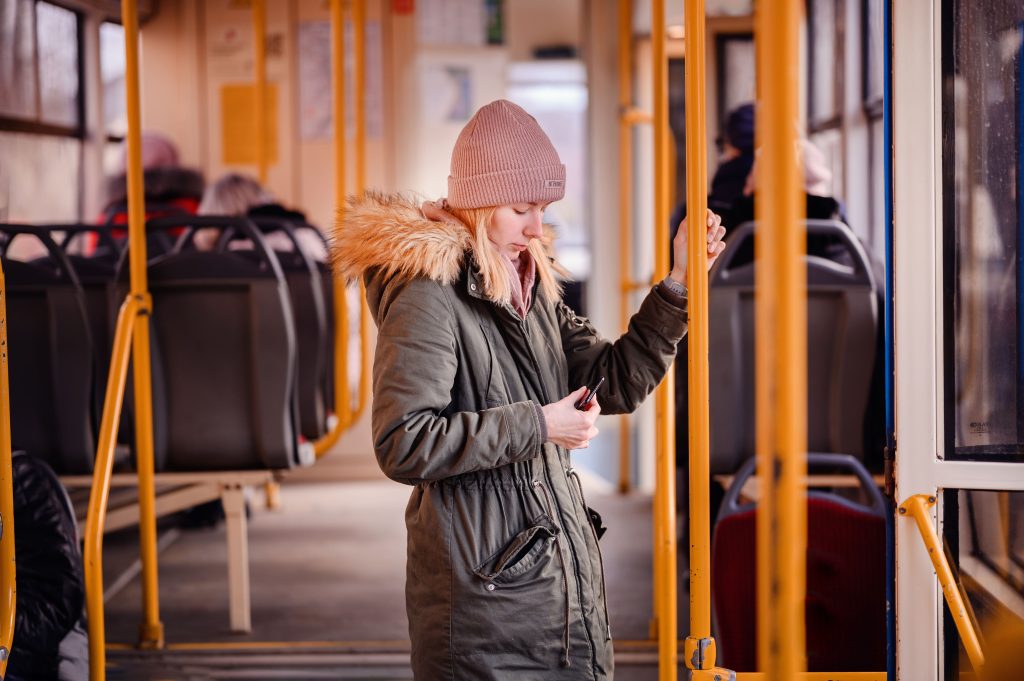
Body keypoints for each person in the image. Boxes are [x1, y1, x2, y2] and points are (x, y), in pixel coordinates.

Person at [331, 99, 725, 680]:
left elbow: (611, 382)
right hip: (483, 600)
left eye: (543, 208)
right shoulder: (427, 295)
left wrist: (677, 287)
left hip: (550, 584)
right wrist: (540, 425)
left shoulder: (526, 281)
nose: (538, 227)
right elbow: (403, 440)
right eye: (521, 209)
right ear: (479, 202)